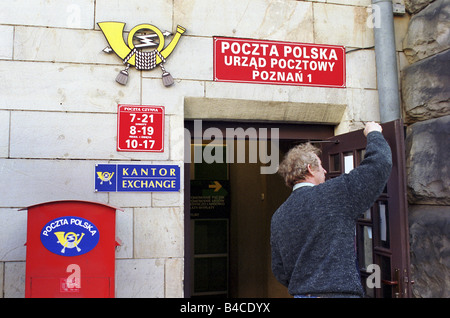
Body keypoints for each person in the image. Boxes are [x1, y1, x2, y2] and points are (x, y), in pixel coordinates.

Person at [270, 122, 392, 298]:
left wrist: (307, 284)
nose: (326, 171)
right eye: (321, 165)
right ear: (310, 169)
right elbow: (379, 165)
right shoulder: (333, 194)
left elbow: (279, 270)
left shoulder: (278, 216)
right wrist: (373, 133)